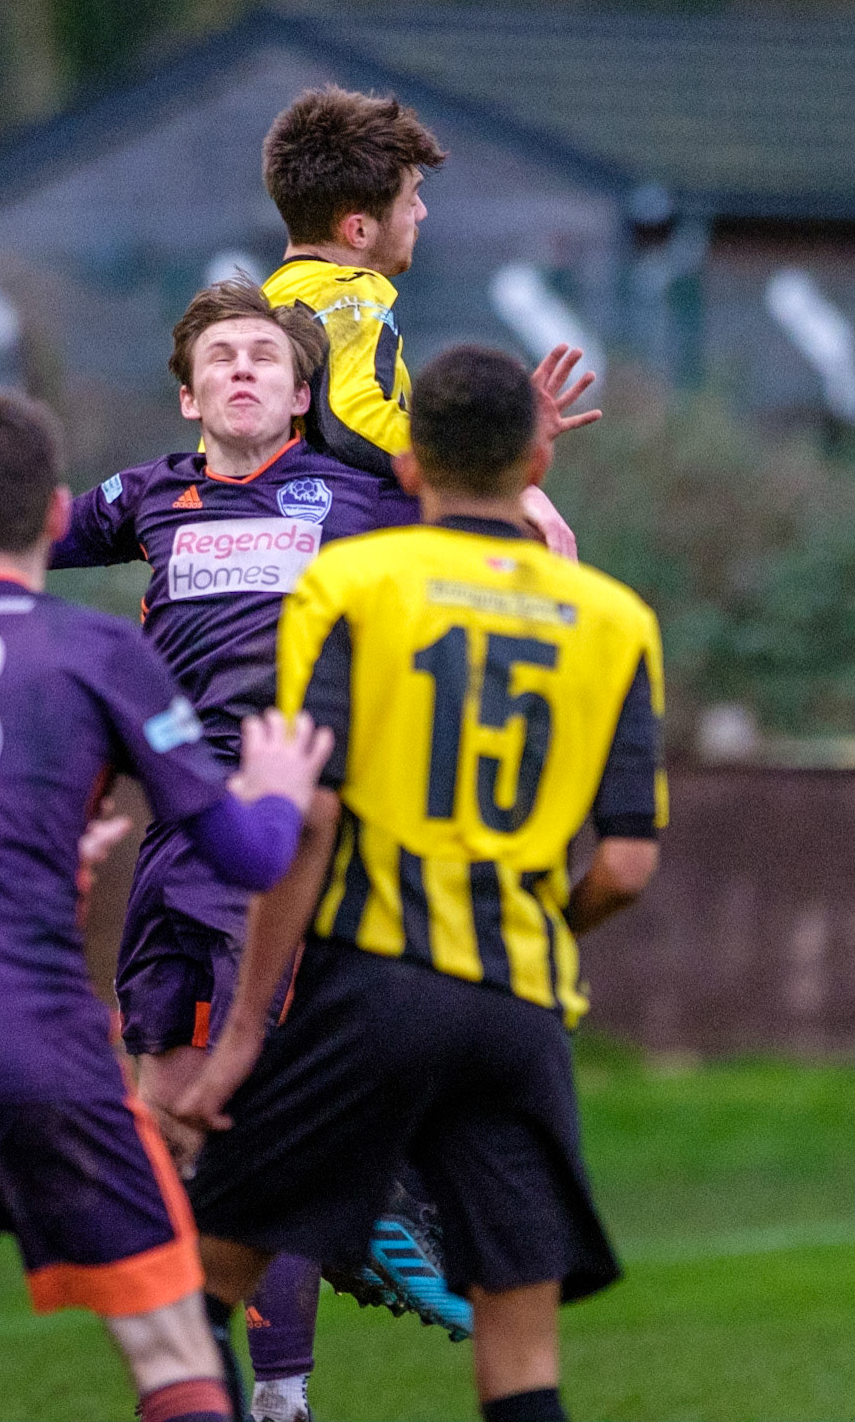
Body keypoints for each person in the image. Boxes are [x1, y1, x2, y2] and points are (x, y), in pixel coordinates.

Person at [0, 286, 597, 1422]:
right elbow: (4, 523)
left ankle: (298, 1348)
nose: (247, 370)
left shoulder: (358, 493)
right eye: (222, 356)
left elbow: (473, 524)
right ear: (189, 390)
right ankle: (305, 1276)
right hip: (187, 825)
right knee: (173, 1113)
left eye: (268, 355)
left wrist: (522, 464)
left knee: (247, 1088)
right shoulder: (151, 495)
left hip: (290, 814)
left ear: (305, 395)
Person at [0, 384, 334, 1422]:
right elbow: (246, 851)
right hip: (35, 1047)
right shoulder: (96, 653)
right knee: (175, 1342)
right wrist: (274, 794)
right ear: (55, 516)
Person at [179, 344, 667, 1422]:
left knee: (197, 1288)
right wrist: (548, 927)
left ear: (408, 471)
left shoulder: (349, 583)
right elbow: (628, 863)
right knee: (520, 1346)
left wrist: (251, 1030)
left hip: (371, 989)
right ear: (539, 456)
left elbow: (311, 814)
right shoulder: (615, 617)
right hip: (519, 1007)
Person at [259, 84, 598, 556]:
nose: (421, 212)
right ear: (358, 229)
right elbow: (352, 419)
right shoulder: (350, 289)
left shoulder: (263, 300)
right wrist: (483, 478)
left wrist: (504, 436)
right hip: (321, 550)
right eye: (410, 198)